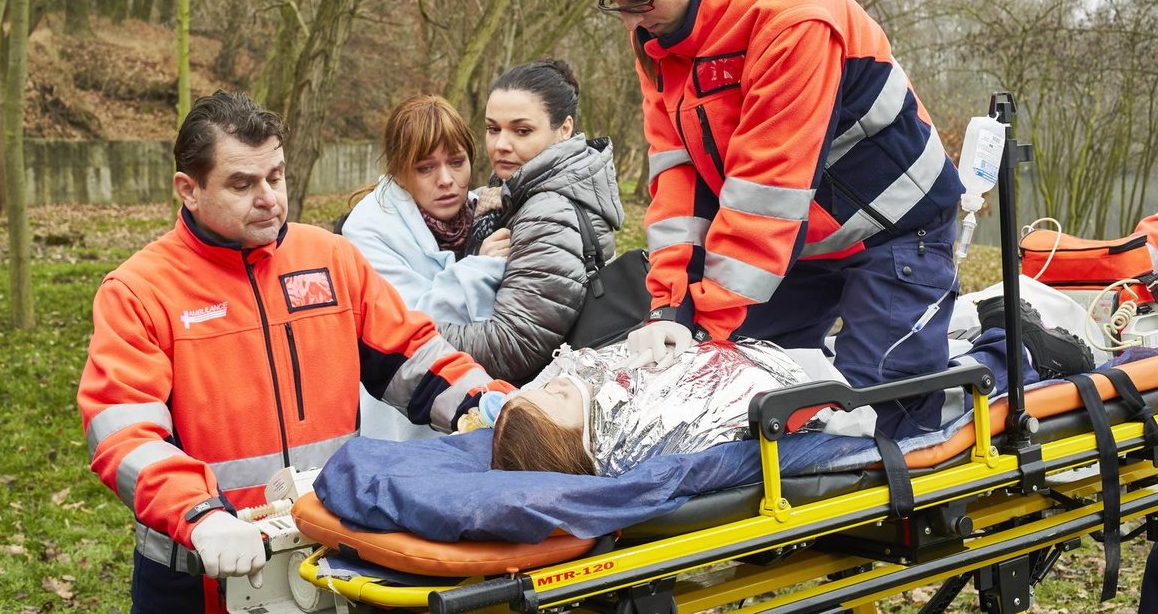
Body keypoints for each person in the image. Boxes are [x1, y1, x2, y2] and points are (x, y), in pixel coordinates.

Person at [76, 91, 512, 614]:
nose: (268, 198)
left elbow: (413, 359)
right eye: (242, 183)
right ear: (188, 190)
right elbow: (124, 435)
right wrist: (199, 515)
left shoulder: (330, 259)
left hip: (330, 555)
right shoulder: (139, 291)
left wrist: (488, 405)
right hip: (198, 575)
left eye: (276, 176)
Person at [578, 0, 965, 438]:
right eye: (613, 4)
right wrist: (671, 307)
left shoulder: (790, 15)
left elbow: (768, 191)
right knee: (745, 401)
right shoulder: (657, 36)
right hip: (796, 241)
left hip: (895, 233)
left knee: (874, 416)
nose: (631, 23)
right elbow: (677, 178)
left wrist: (704, 328)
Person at [435, 57, 625, 385]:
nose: (501, 144)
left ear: (564, 129)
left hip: (533, 400)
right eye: (493, 129)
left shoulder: (549, 211)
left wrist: (409, 331)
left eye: (522, 131)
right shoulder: (511, 195)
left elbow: (513, 346)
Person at [340, 95, 512, 440]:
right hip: (405, 423)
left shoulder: (487, 211)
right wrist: (481, 267)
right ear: (399, 170)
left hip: (482, 406)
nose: (446, 180)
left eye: (456, 162)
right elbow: (408, 326)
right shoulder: (367, 230)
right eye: (426, 168)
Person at [489, 339, 819, 477]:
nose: (560, 383)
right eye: (558, 398)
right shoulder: (627, 438)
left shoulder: (608, 393)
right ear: (578, 446)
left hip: (780, 356)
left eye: (546, 387)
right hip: (805, 379)